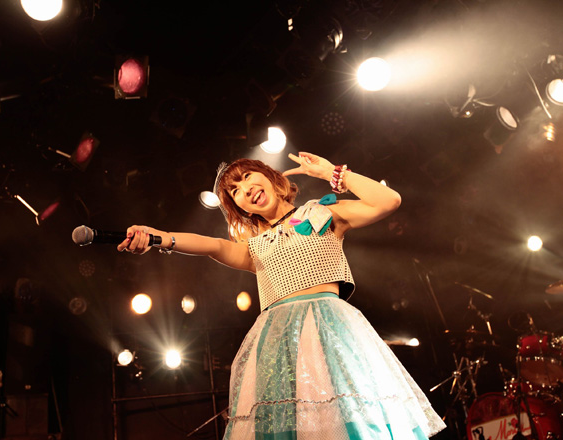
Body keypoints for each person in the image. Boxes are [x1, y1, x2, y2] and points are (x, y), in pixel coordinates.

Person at [118, 151, 446, 440]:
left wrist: (332, 173)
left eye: (247, 176)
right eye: (235, 190)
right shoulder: (254, 247)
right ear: (239, 206)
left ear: (271, 177)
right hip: (278, 344)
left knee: (349, 420)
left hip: (332, 333)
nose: (245, 188)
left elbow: (388, 201)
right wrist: (160, 237)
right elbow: (213, 246)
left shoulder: (322, 213)